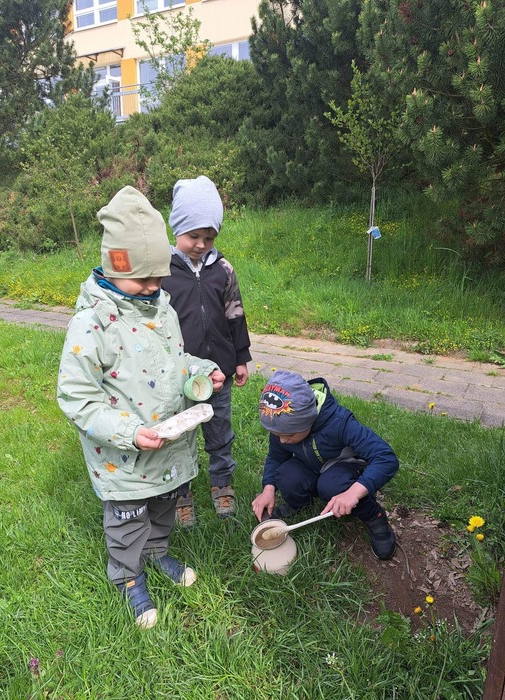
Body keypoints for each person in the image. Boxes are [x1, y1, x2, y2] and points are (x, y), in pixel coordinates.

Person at [57, 186, 225, 629]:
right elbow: (76, 396)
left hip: (167, 443)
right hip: (124, 455)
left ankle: (157, 552)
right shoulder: (92, 324)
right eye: (142, 279)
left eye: (159, 278)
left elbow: (176, 361)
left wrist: (200, 372)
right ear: (116, 266)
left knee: (164, 505)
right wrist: (128, 433)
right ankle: (128, 575)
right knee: (128, 518)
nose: (153, 287)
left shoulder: (161, 308)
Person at [162, 175, 252, 526]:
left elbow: (235, 313)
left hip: (218, 374)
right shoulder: (161, 272)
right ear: (176, 229)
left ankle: (221, 483)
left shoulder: (223, 269)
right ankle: (180, 493)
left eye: (209, 237)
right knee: (179, 437)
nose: (201, 244)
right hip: (179, 376)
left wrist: (240, 357)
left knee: (219, 432)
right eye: (193, 236)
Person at [252, 370, 399, 560]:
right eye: (277, 435)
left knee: (331, 485)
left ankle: (374, 516)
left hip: (345, 468)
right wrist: (268, 489)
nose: (282, 440)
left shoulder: (340, 422)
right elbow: (276, 456)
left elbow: (386, 458)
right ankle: (299, 505)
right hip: (312, 465)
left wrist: (354, 493)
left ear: (308, 420)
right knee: (286, 475)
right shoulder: (282, 424)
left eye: (288, 435)